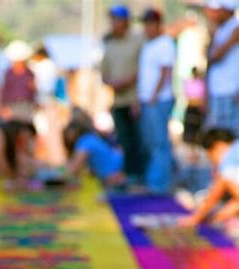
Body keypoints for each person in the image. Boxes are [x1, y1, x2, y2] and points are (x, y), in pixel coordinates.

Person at [101, 5, 144, 182]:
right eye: (112, 19)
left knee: (138, 140)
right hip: (118, 101)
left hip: (135, 100)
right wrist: (114, 83)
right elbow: (104, 75)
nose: (114, 23)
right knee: (124, 141)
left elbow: (144, 69)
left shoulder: (138, 41)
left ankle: (140, 176)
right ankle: (129, 175)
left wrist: (126, 82)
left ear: (125, 21)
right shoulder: (109, 44)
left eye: (117, 19)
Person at [137, 8, 176, 194]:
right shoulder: (148, 45)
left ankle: (160, 184)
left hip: (159, 100)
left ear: (158, 24)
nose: (147, 28)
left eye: (150, 24)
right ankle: (156, 180)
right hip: (147, 100)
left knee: (160, 142)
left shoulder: (165, 43)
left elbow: (165, 72)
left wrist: (154, 95)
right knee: (151, 141)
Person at [178, 128, 239, 227]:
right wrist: (217, 218)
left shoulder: (228, 160)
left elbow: (215, 194)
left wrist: (195, 218)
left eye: (210, 155)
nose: (213, 162)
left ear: (218, 146)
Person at [63, 110, 126, 189]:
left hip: (117, 174)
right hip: (118, 170)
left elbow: (74, 168)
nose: (68, 138)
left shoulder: (85, 141)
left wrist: (56, 173)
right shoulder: (91, 137)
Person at [204, 0, 239, 137]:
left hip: (230, 93)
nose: (213, 14)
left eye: (217, 10)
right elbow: (209, 56)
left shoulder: (235, 28)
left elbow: (216, 55)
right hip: (218, 92)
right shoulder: (220, 30)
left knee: (229, 138)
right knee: (216, 139)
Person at [0, 40, 36, 123]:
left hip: (26, 107)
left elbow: (33, 91)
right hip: (10, 107)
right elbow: (3, 91)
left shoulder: (29, 73)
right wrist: (3, 108)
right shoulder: (8, 73)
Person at [183, 67, 206, 145]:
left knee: (197, 130)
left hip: (198, 107)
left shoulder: (201, 82)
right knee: (190, 130)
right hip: (191, 107)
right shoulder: (188, 82)